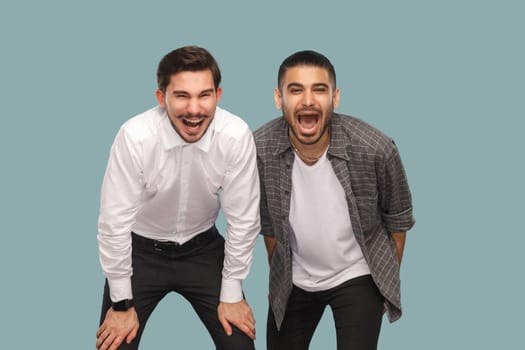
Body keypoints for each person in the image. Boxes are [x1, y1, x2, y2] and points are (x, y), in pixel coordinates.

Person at [95, 46, 260, 350]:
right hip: (140, 253)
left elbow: (244, 219)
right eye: (182, 95)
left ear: (218, 95)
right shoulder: (135, 137)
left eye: (204, 95)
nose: (194, 109)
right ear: (162, 98)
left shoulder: (235, 135)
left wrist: (233, 293)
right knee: (115, 345)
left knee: (239, 346)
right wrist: (121, 304)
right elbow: (113, 223)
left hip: (204, 252)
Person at [254, 50, 415, 350]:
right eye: (295, 89)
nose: (308, 100)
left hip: (358, 273)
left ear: (335, 97)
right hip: (296, 278)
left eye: (319, 89)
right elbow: (269, 227)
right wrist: (279, 278)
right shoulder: (258, 149)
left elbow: (398, 221)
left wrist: (385, 281)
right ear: (279, 99)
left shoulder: (375, 148)